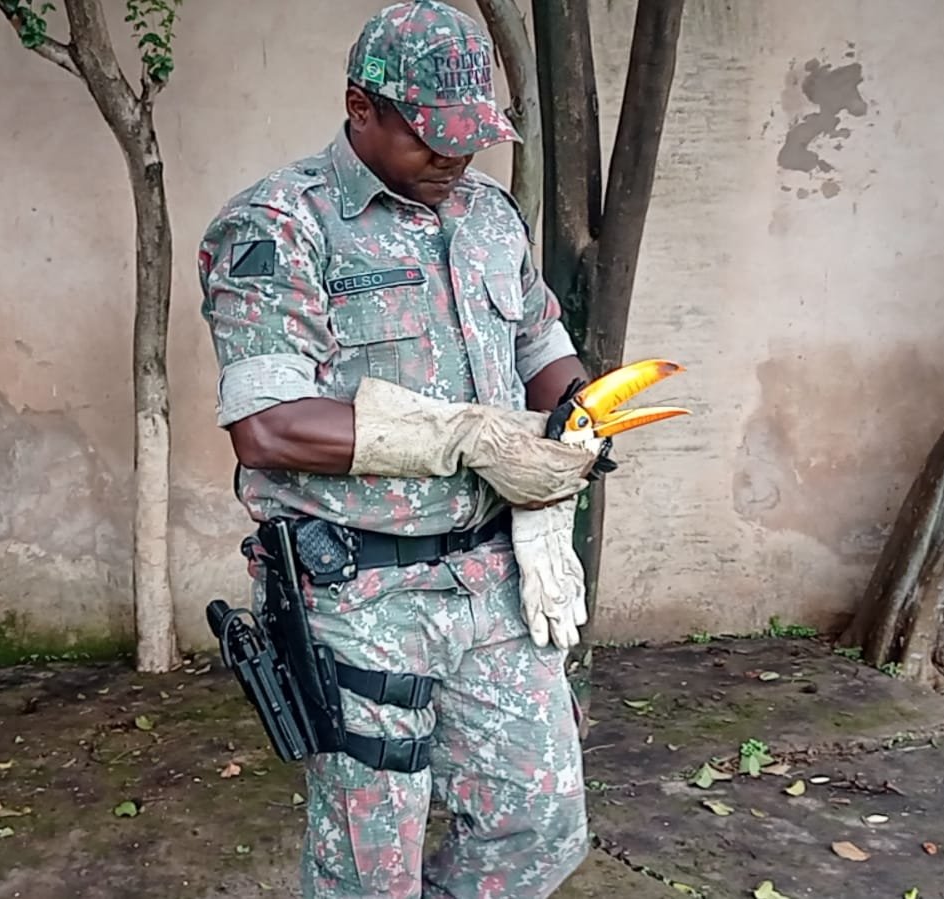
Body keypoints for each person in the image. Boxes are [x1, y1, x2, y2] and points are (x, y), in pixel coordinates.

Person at [196, 2, 603, 895]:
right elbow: (266, 424)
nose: (454, 158)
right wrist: (464, 435)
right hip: (359, 594)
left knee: (536, 823)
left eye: (470, 136)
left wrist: (578, 417)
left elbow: (537, 342)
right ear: (360, 107)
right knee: (370, 868)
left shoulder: (490, 214)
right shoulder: (279, 224)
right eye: (431, 136)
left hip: (497, 582)